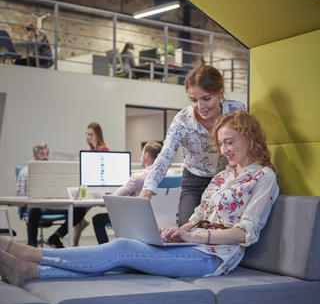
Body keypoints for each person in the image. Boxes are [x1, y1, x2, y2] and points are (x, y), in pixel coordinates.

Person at [1, 111, 279, 285]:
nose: (224, 149)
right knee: (122, 261)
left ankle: (29, 253)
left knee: (122, 248)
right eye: (221, 143)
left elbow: (245, 233)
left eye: (230, 142)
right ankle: (29, 271)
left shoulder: (263, 177)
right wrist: (177, 231)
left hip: (215, 258)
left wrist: (193, 237)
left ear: (250, 138)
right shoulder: (223, 175)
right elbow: (197, 218)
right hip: (192, 246)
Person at [139, 65, 246, 226]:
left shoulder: (236, 110)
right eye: (193, 100)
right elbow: (166, 154)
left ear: (220, 93)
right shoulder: (182, 120)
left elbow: (248, 143)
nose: (200, 107)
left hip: (229, 178)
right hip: (195, 180)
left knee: (222, 228)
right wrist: (148, 188)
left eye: (206, 98)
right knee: (186, 228)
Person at [16, 142, 87, 248]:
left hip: (51, 205)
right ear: (35, 156)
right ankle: (32, 245)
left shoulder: (52, 171)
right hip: (34, 206)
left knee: (79, 210)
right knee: (34, 209)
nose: (45, 157)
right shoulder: (25, 172)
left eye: (47, 154)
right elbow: (20, 197)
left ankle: (56, 237)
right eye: (42, 154)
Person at [92, 141, 165, 244]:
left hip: (138, 220)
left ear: (147, 155)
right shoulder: (170, 174)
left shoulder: (138, 177)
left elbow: (116, 196)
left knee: (97, 219)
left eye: (142, 153)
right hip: (163, 220)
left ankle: (105, 250)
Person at [73, 122, 110, 246]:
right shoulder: (90, 150)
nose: (89, 137)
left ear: (98, 135)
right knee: (78, 210)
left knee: (79, 212)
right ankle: (75, 243)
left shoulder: (104, 150)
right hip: (90, 188)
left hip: (101, 189)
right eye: (88, 134)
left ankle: (74, 242)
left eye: (92, 134)